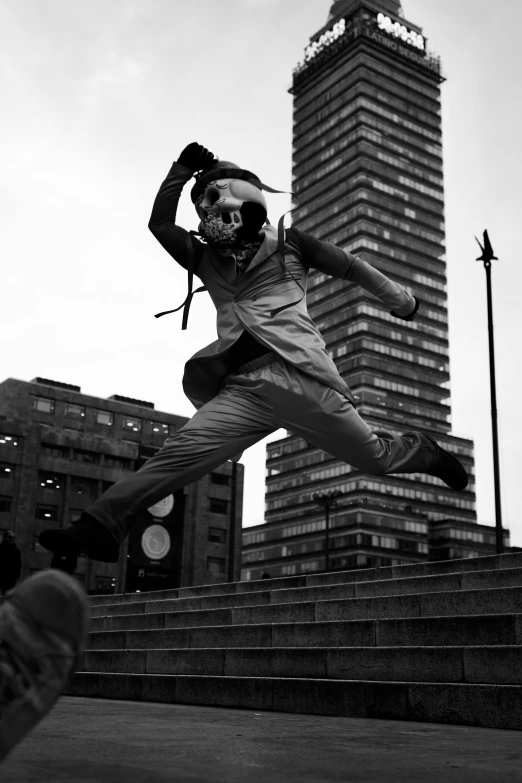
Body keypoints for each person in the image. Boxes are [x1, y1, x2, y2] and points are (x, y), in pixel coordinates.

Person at [37, 140, 468, 571]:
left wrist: (403, 301)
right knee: (176, 456)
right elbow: (160, 225)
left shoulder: (290, 246)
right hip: (245, 391)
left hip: (302, 378)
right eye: (204, 212)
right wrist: (181, 169)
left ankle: (423, 452)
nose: (209, 219)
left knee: (374, 457)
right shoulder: (206, 258)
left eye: (214, 206)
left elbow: (351, 266)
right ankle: (100, 526)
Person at [0, 532, 22, 596]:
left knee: (6, 598)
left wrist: (16, 575)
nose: (11, 539)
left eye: (13, 537)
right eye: (10, 537)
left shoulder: (16, 551)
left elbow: (19, 564)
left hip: (10, 579)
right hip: (3, 576)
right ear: (5, 537)